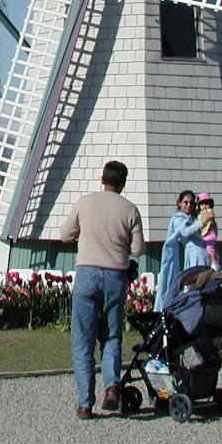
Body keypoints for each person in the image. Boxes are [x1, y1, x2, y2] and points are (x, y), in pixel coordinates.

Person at [60, 159, 144, 420]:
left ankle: (85, 403)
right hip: (116, 276)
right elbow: (138, 249)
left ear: (102, 178)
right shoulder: (130, 209)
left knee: (83, 340)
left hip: (87, 274)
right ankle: (111, 386)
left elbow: (65, 235)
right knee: (111, 337)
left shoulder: (85, 203)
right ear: (124, 182)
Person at [154, 191, 209, 309]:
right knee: (193, 286)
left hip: (203, 252)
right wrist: (201, 223)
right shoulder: (178, 219)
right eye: (185, 202)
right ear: (179, 203)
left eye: (191, 203)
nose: (188, 205)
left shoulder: (193, 218)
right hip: (193, 254)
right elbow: (184, 232)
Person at [196, 192, 219, 268]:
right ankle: (214, 259)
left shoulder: (209, 212)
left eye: (206, 204)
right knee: (206, 249)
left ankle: (214, 263)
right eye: (202, 204)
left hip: (210, 233)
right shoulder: (199, 214)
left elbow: (211, 219)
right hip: (204, 234)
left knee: (209, 247)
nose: (204, 206)